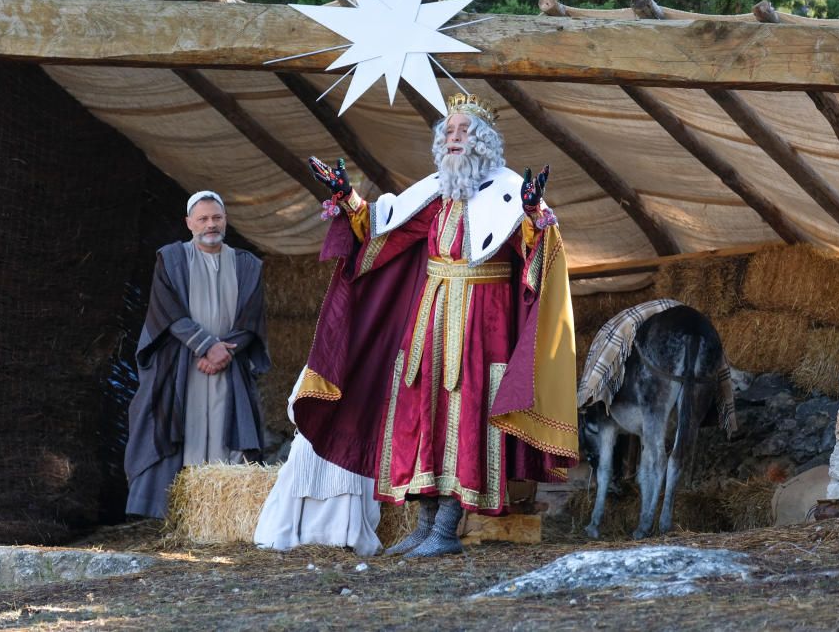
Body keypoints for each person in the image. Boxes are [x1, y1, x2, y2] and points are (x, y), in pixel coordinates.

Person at [293, 93, 578, 557]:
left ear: (484, 141)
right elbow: (384, 233)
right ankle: (424, 527)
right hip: (427, 323)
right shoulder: (434, 193)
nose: (453, 138)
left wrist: (532, 216)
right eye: (448, 131)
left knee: (464, 420)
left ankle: (447, 530)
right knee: (420, 416)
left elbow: (539, 254)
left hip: (482, 329)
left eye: (463, 131)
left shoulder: (510, 191)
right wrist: (348, 198)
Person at [124, 191, 270, 518]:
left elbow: (251, 317)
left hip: (227, 366)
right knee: (178, 429)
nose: (210, 224)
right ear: (189, 223)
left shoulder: (247, 265)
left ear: (225, 220)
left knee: (228, 432)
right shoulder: (171, 259)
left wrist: (224, 351)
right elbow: (168, 310)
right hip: (183, 366)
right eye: (202, 218)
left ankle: (224, 515)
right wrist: (206, 346)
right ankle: (180, 514)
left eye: (216, 217)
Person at [254, 368, 382, 556]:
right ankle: (336, 535)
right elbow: (297, 408)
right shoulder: (322, 362)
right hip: (321, 440)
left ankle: (337, 534)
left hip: (351, 441)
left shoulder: (372, 362)